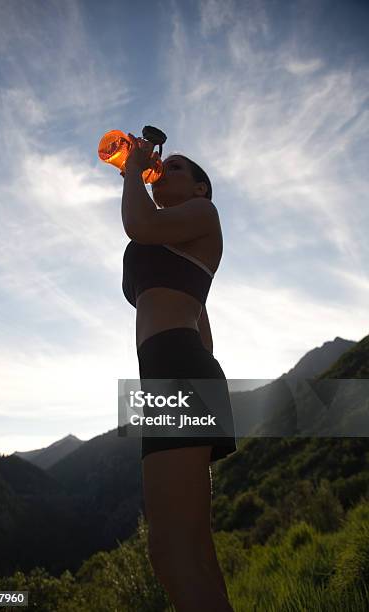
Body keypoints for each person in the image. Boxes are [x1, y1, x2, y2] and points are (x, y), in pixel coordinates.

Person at [121, 133, 236, 611]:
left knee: (172, 550)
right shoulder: (174, 232)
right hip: (169, 375)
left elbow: (137, 224)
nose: (163, 171)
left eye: (177, 169)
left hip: (175, 366)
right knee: (188, 548)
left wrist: (133, 170)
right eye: (162, 167)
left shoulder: (204, 216)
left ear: (200, 190)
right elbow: (199, 314)